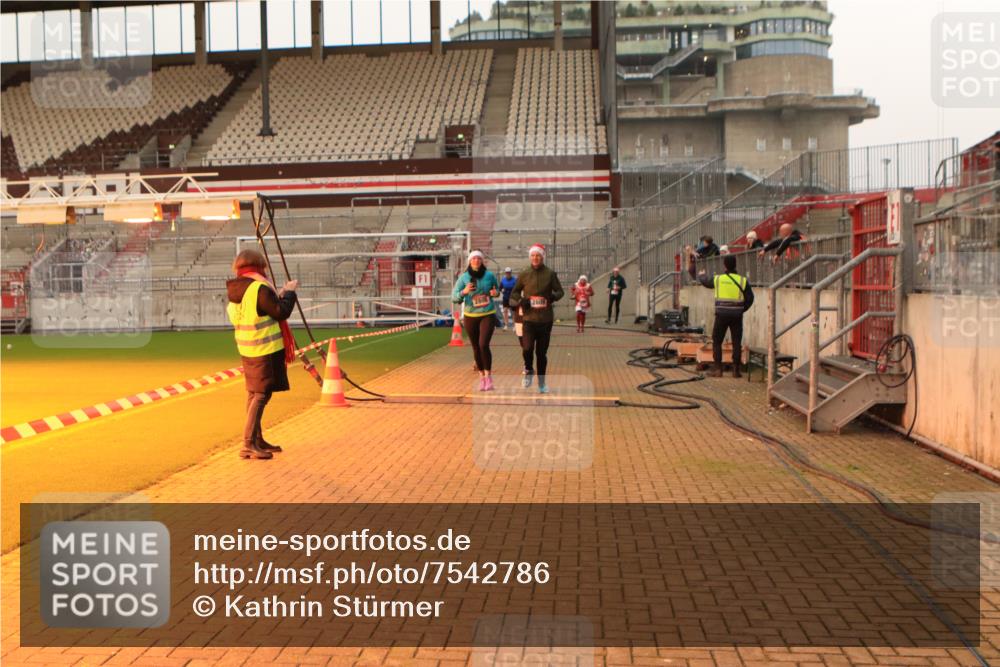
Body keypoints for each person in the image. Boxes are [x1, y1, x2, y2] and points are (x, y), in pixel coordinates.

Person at [226, 250, 298, 460]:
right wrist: (289, 293)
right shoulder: (259, 287)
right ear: (260, 265)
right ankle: (248, 444)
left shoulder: (237, 289)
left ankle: (256, 439)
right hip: (265, 350)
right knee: (261, 394)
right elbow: (279, 312)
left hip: (248, 348)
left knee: (254, 393)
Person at [510, 244, 564, 393]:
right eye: (533, 255)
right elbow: (514, 294)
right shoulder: (524, 274)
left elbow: (560, 291)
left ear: (542, 257)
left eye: (538, 255)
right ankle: (528, 369)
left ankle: (542, 383)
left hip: (545, 320)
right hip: (528, 319)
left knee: (541, 353)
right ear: (530, 257)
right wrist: (522, 301)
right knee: (527, 349)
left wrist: (553, 297)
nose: (535, 258)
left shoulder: (550, 274)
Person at [695, 254, 754, 378]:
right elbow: (750, 298)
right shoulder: (742, 280)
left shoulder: (718, 279)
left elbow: (706, 282)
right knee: (736, 342)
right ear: (735, 265)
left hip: (721, 315)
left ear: (725, 265)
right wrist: (741, 309)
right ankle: (736, 371)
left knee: (717, 341)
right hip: (737, 316)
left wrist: (701, 275)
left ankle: (718, 370)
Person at [452, 250, 500, 391]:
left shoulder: (489, 275)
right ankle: (481, 377)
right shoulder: (464, 278)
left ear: (482, 261)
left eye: (479, 259)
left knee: (483, 344)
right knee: (475, 347)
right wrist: (464, 292)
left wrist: (495, 293)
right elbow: (454, 297)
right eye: (474, 259)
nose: (476, 261)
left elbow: (496, 290)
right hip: (470, 315)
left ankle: (488, 377)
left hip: (487, 313)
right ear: (470, 261)